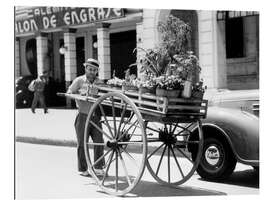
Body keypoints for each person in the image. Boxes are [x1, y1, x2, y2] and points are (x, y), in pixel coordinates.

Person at [67, 58, 105, 177]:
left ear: (97, 71)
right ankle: (83, 169)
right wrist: (80, 95)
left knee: (99, 141)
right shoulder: (79, 80)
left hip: (95, 116)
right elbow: (69, 92)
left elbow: (105, 94)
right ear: (86, 68)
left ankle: (98, 167)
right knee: (82, 143)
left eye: (94, 70)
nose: (92, 72)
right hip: (83, 115)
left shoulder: (99, 82)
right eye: (90, 69)